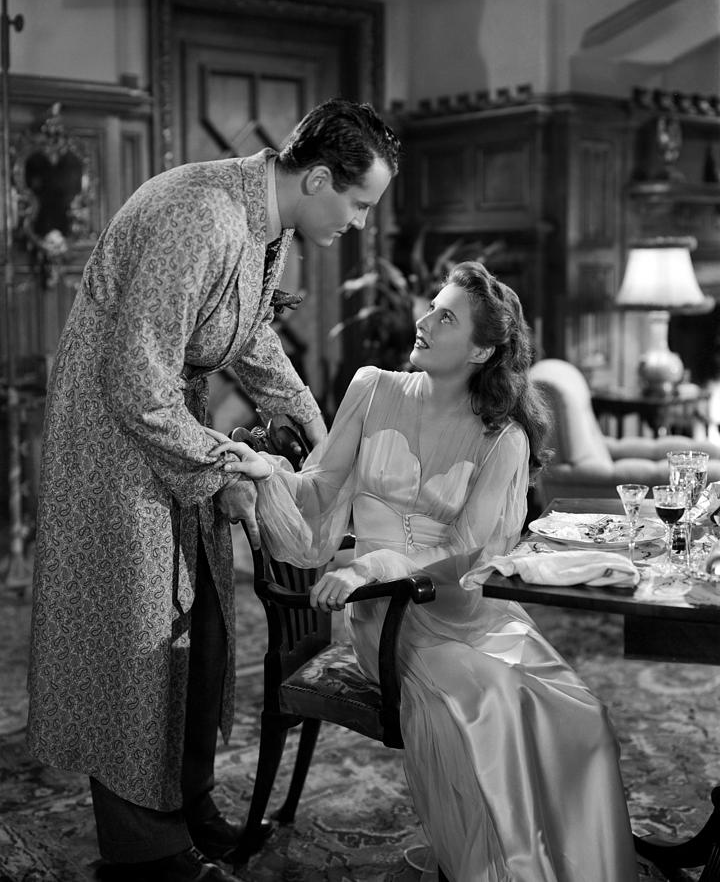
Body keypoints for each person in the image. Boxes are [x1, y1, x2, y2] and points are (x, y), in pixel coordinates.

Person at [26, 99, 400, 882]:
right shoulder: (200, 215)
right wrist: (228, 469)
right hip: (118, 444)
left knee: (199, 627)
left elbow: (251, 334)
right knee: (133, 645)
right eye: (360, 203)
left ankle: (184, 799)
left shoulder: (264, 219)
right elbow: (134, 381)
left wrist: (318, 429)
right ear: (321, 178)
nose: (360, 223)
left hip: (168, 427)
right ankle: (144, 852)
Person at [208, 261, 640, 882]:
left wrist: (375, 561)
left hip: (463, 608)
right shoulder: (372, 387)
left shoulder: (503, 437)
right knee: (488, 700)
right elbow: (321, 490)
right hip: (390, 619)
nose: (425, 321)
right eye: (431, 308)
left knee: (580, 715)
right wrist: (266, 471)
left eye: (446, 317)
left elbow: (469, 549)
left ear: (484, 348)